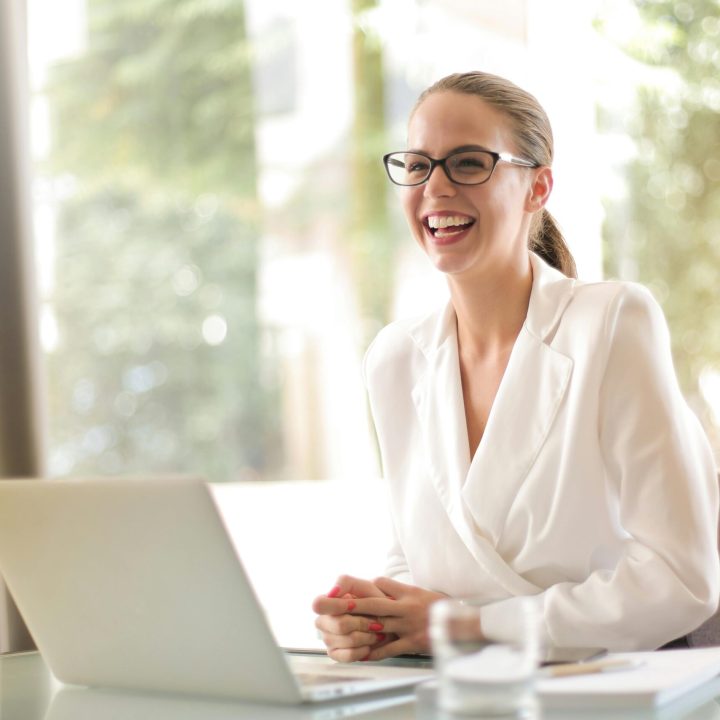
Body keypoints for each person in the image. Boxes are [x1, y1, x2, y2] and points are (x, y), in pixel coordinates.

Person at [312, 71, 720, 662]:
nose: (436, 187)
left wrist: (468, 625)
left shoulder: (610, 324)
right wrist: (375, 618)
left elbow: (682, 580)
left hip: (607, 689)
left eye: (469, 163)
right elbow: (416, 555)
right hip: (464, 691)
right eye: (418, 164)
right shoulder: (394, 360)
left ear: (538, 186)